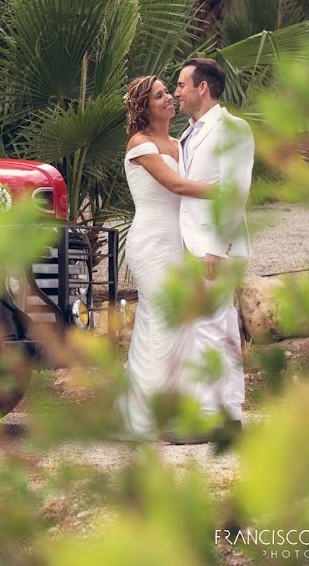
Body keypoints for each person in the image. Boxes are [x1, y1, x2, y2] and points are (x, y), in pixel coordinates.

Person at [118, 75, 216, 438]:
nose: (168, 100)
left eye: (168, 94)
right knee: (161, 320)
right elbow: (175, 185)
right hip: (150, 243)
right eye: (159, 96)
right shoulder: (139, 145)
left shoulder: (179, 142)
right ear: (144, 107)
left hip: (179, 243)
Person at [174, 58, 254, 433]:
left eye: (181, 85)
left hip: (213, 246)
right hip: (192, 243)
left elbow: (235, 193)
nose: (177, 92)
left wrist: (217, 249)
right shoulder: (188, 132)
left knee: (209, 328)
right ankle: (231, 414)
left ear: (201, 88)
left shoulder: (233, 129)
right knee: (219, 328)